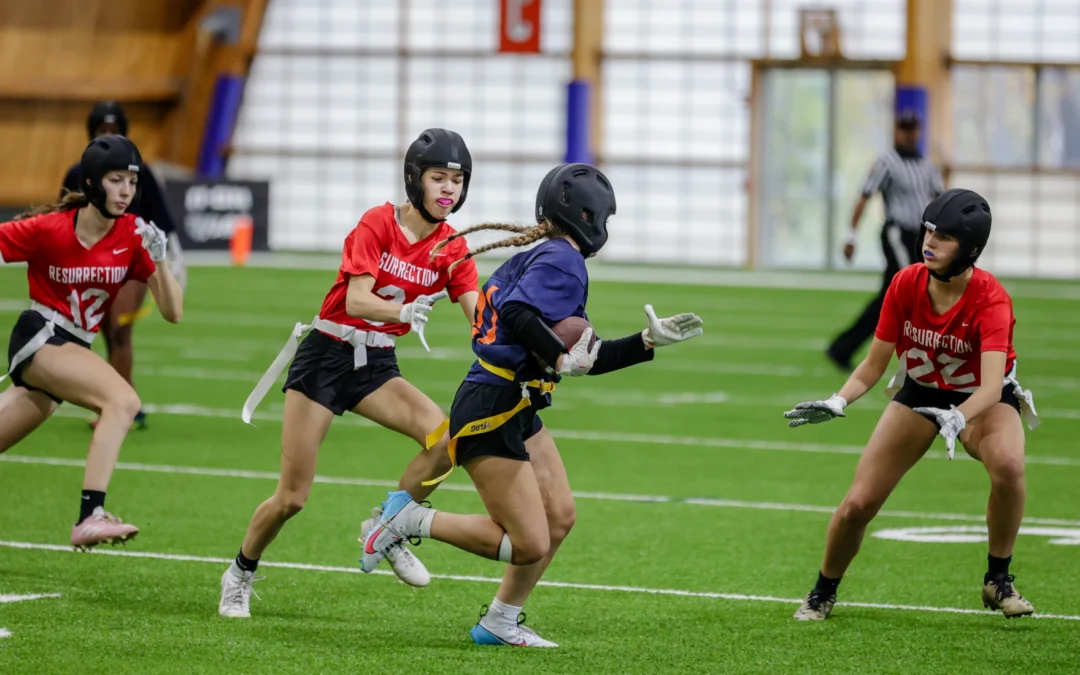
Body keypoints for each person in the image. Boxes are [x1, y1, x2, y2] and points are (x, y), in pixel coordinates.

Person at [358, 163, 705, 647]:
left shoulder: (548, 254)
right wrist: (561, 355)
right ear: (590, 215)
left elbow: (582, 355)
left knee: (559, 516)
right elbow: (523, 318)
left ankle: (500, 621)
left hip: (512, 402)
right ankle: (408, 519)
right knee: (529, 542)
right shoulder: (564, 260)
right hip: (494, 403)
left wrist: (646, 342)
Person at [218, 128, 483, 619]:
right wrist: (403, 314)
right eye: (438, 178)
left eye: (457, 180)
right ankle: (240, 573)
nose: (449, 189)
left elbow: (478, 315)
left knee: (446, 441)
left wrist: (534, 347)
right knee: (292, 498)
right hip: (328, 354)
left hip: (377, 363)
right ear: (414, 180)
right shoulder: (377, 222)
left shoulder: (453, 247)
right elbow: (358, 298)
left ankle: (387, 524)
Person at [784, 189, 1040, 621]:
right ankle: (822, 590)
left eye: (945, 237)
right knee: (858, 505)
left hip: (982, 398)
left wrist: (958, 417)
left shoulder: (991, 299)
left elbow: (993, 384)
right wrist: (837, 400)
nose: (930, 242)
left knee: (1009, 467)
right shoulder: (906, 282)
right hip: (921, 393)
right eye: (929, 230)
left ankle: (998, 580)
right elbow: (872, 365)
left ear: (972, 249)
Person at [0, 135, 184, 549]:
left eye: (132, 182)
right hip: (43, 334)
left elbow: (174, 313)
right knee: (123, 401)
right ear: (91, 184)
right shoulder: (49, 229)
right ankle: (90, 515)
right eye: (116, 180)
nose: (126, 191)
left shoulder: (134, 237)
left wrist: (160, 260)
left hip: (71, 347)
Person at [61, 101, 186, 430]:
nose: (108, 135)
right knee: (103, 331)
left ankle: (117, 408)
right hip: (95, 263)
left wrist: (175, 262)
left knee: (120, 328)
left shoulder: (139, 172)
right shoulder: (78, 173)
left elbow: (164, 221)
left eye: (114, 130)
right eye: (102, 130)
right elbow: (61, 220)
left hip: (134, 261)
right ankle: (128, 401)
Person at [826, 112, 944, 371]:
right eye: (904, 128)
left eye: (912, 128)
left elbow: (941, 201)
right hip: (897, 233)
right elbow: (864, 196)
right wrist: (851, 236)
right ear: (896, 131)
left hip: (922, 236)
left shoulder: (927, 166)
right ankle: (924, 356)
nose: (908, 134)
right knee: (914, 285)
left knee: (889, 297)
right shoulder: (886, 162)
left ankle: (842, 348)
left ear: (919, 131)